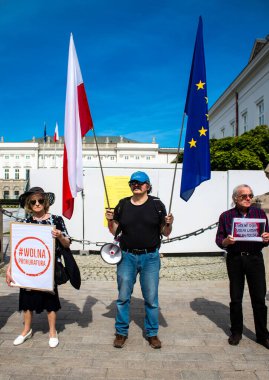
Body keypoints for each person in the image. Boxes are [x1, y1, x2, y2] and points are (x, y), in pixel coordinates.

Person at [105, 171, 174, 349]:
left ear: (148, 186)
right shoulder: (123, 204)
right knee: (123, 297)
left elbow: (165, 233)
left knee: (151, 298)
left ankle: (152, 333)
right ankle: (121, 332)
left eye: (140, 183)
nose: (136, 185)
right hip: (126, 256)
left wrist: (169, 223)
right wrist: (110, 220)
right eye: (133, 183)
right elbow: (114, 232)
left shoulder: (157, 205)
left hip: (150, 257)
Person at [6, 187, 71, 348]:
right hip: (29, 268)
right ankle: (26, 330)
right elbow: (16, 250)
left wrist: (60, 235)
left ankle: (52, 331)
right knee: (27, 299)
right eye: (33, 201)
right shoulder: (25, 222)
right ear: (29, 204)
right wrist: (9, 270)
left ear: (45, 202)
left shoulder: (56, 220)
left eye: (40, 200)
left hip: (48, 268)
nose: (37, 204)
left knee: (50, 299)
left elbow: (67, 243)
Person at [216, 184, 269, 349]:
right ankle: (236, 332)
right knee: (236, 298)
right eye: (244, 196)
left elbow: (265, 237)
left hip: (255, 259)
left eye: (250, 195)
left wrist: (267, 238)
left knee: (259, 298)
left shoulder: (259, 214)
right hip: (235, 259)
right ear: (235, 199)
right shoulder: (226, 216)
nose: (248, 199)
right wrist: (227, 241)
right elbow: (219, 240)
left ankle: (262, 335)